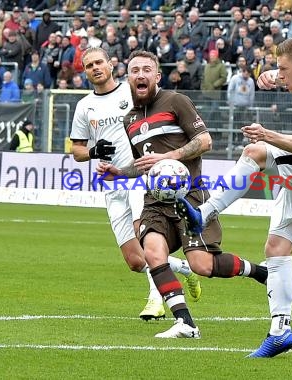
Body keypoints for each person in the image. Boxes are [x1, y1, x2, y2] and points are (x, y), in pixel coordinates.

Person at [175, 35, 292, 357]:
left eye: (283, 69)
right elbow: (290, 76)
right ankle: (280, 330)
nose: (281, 74)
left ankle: (203, 214)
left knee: (256, 152)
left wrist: (267, 135)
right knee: (276, 248)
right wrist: (271, 76)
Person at [96, 50, 268, 339]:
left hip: (190, 197)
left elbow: (205, 140)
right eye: (134, 70)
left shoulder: (176, 101)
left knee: (203, 265)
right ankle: (185, 322)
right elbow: (146, 164)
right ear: (127, 77)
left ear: (157, 76)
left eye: (146, 70)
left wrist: (170, 157)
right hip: (154, 201)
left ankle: (261, 273)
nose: (140, 74)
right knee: (152, 252)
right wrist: (120, 172)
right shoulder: (129, 120)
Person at [68, 47, 202, 321]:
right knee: (135, 260)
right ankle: (185, 269)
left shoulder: (131, 93)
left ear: (110, 64)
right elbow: (77, 151)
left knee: (146, 238)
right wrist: (94, 152)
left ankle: (157, 300)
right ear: (85, 71)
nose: (95, 68)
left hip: (140, 177)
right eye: (89, 65)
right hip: (112, 181)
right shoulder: (84, 106)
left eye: (99, 62)